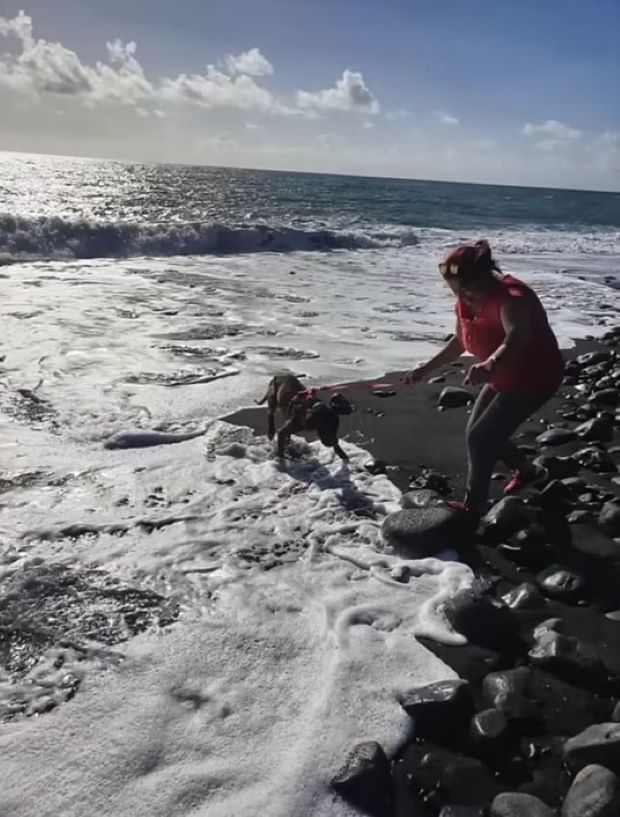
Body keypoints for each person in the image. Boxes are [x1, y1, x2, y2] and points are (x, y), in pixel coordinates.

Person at [404, 240, 564, 521]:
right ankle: (530, 472)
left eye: (464, 287)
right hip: (501, 374)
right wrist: (424, 369)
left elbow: (517, 338)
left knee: (481, 438)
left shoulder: (512, 297)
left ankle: (473, 508)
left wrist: (490, 363)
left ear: (484, 276)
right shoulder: (465, 300)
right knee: (478, 433)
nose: (461, 294)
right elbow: (459, 342)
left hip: (535, 375)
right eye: (455, 288)